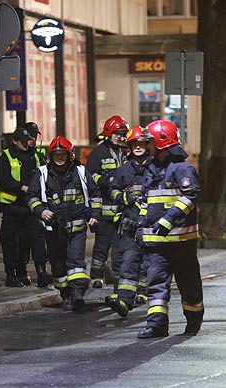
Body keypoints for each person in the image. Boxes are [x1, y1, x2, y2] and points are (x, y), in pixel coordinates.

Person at [135, 120, 204, 338]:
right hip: (157, 245)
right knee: (155, 286)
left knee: (190, 287)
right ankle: (156, 325)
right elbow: (147, 203)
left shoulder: (183, 169)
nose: (147, 147)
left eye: (150, 142)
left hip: (181, 243)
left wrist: (167, 221)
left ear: (162, 142)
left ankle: (193, 322)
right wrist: (140, 228)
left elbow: (190, 196)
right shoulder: (151, 169)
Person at [26, 136, 102, 311]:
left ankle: (78, 294)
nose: (59, 158)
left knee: (76, 262)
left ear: (70, 155)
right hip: (53, 230)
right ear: (51, 156)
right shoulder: (42, 173)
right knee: (58, 265)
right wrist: (41, 211)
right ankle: (66, 295)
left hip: (77, 229)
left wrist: (95, 214)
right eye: (56, 155)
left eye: (63, 154)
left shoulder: (81, 173)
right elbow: (31, 196)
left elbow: (95, 194)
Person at [106, 126, 153, 317]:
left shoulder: (155, 168)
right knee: (128, 262)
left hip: (152, 226)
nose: (138, 147)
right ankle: (124, 300)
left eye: (142, 144)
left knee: (149, 264)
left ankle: (144, 294)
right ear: (130, 146)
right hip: (130, 226)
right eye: (135, 144)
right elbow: (112, 191)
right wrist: (127, 199)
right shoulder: (122, 171)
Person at [0, 127, 50, 288]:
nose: (27, 144)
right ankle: (11, 275)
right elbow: (3, 180)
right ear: (15, 141)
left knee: (36, 239)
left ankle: (40, 272)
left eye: (29, 141)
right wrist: (22, 187)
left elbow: (45, 174)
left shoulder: (36, 156)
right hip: (12, 207)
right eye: (24, 142)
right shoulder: (5, 157)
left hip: (31, 207)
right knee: (10, 242)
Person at [86, 115, 129, 288]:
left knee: (120, 247)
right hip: (105, 209)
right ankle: (96, 276)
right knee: (101, 246)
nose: (120, 136)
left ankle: (119, 276)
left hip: (123, 209)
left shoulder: (127, 151)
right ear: (109, 133)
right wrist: (108, 181)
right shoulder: (98, 153)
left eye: (123, 133)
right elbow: (91, 176)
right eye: (118, 133)